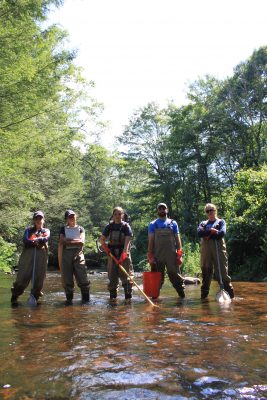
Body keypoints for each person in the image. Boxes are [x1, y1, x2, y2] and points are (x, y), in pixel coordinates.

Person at [11, 210, 50, 305]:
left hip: (41, 256)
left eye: (40, 218)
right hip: (27, 255)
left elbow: (46, 237)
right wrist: (33, 242)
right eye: (36, 218)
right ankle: (14, 298)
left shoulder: (46, 231)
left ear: (43, 220)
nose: (38, 220)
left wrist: (39, 239)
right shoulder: (28, 230)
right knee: (22, 278)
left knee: (38, 279)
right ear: (34, 220)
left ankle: (35, 298)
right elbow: (25, 239)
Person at [147, 203, 185, 298]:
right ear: (157, 211)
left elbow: (178, 239)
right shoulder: (152, 224)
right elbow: (151, 241)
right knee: (157, 278)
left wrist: (179, 254)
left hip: (171, 256)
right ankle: (154, 300)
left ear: (167, 210)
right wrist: (150, 256)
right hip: (157, 256)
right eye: (160, 209)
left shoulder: (173, 223)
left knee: (175, 276)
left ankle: (182, 297)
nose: (162, 210)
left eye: (163, 208)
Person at [197, 203, 234, 299]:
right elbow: (199, 233)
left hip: (219, 249)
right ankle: (204, 298)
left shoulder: (221, 222)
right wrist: (212, 231)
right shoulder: (203, 223)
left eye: (211, 210)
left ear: (215, 210)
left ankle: (230, 296)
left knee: (222, 272)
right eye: (207, 211)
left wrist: (210, 234)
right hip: (206, 251)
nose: (209, 212)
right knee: (206, 273)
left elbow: (221, 233)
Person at [99, 206, 134, 300]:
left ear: (122, 215)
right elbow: (101, 240)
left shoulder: (126, 226)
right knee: (112, 278)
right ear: (113, 216)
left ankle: (128, 299)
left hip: (124, 254)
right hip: (112, 255)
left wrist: (124, 254)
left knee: (126, 277)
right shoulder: (109, 227)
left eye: (119, 214)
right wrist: (107, 251)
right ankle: (113, 300)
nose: (118, 216)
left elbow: (127, 241)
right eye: (115, 214)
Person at [58, 210, 90, 305]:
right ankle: (69, 302)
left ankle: (86, 301)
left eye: (73, 216)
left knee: (83, 279)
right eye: (69, 217)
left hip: (78, 254)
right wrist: (75, 240)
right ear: (66, 219)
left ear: (76, 217)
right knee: (67, 281)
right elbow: (62, 241)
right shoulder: (62, 229)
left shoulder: (81, 229)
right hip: (66, 255)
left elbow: (82, 242)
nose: (72, 218)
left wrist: (68, 240)